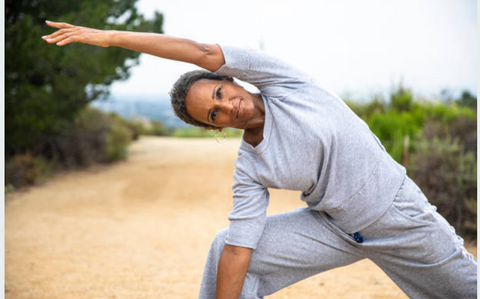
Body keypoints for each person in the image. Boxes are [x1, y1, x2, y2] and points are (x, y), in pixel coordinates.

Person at [43, 20, 477, 299]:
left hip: (398, 215)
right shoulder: (250, 165)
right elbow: (240, 246)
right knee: (224, 250)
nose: (226, 107)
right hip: (337, 228)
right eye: (213, 114)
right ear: (215, 128)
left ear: (231, 78)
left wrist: (108, 38)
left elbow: (197, 50)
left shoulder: (284, 82)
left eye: (219, 93)